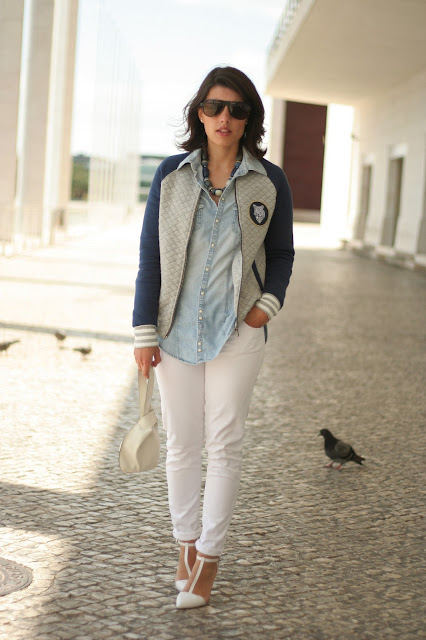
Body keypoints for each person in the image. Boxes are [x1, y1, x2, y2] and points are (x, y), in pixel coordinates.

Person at [133, 66, 294, 609]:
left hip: (238, 332)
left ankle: (209, 559)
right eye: (214, 106)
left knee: (224, 444)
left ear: (249, 119)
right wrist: (143, 331)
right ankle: (184, 546)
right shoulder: (170, 176)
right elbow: (151, 256)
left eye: (237, 109)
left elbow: (282, 253)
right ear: (199, 113)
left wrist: (266, 306)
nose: (225, 117)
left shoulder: (270, 181)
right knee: (182, 443)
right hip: (175, 330)